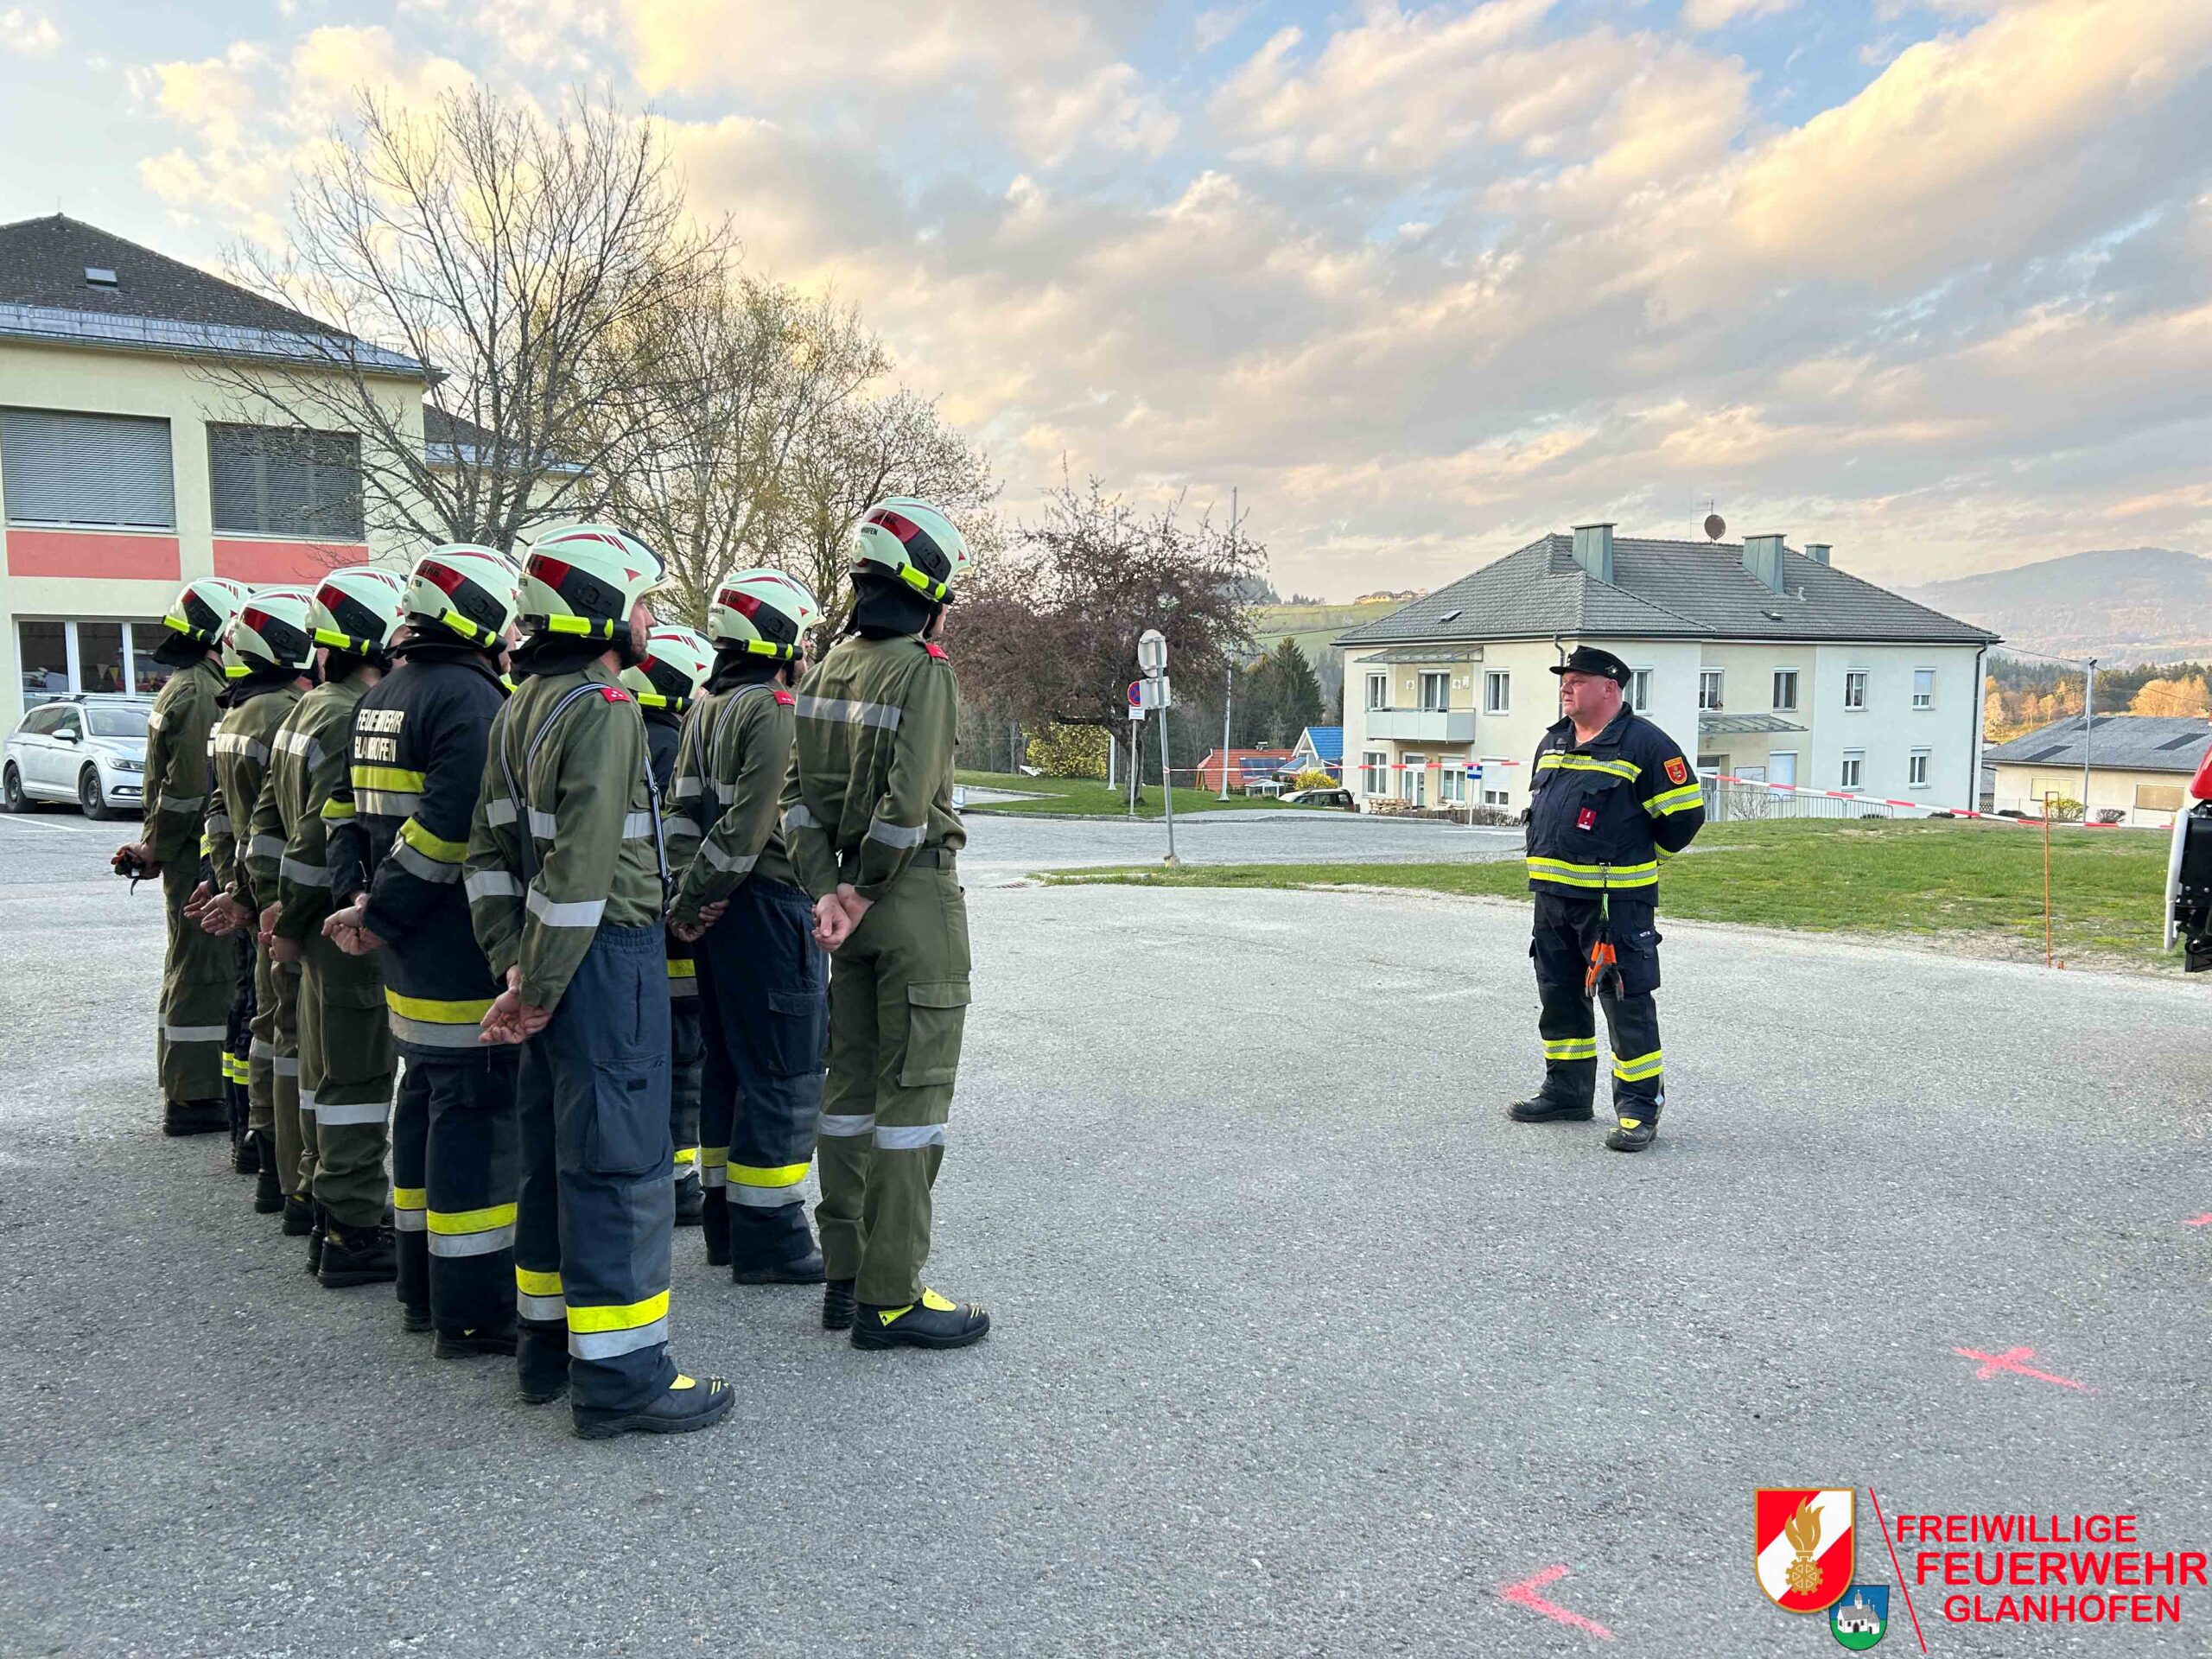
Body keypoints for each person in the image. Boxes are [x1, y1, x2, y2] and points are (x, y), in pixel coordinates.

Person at [465, 523, 732, 1439]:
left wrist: (514, 962)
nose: (651, 617)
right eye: (642, 600)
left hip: (548, 958)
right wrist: (538, 985)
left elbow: (486, 855)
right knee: (621, 1164)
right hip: (605, 960)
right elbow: (581, 871)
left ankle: (549, 1350)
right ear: (601, 609)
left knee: (554, 1158)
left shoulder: (519, 706)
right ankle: (622, 1376)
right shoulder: (607, 708)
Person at [785, 499, 988, 1350]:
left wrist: (827, 892)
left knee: (850, 1093)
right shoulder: (923, 672)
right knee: (912, 1100)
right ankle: (892, 1296)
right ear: (927, 592)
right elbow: (907, 809)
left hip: (845, 905)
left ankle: (844, 1275)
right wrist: (865, 890)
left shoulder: (825, 667)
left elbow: (795, 800)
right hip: (907, 900)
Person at [323, 545, 524, 1356]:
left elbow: (342, 812)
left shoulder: (384, 694)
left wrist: (360, 903)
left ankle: (420, 1288)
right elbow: (448, 833)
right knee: (476, 1124)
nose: (514, 633)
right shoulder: (470, 700)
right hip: (455, 951)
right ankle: (473, 1311)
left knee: (424, 1109)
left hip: (406, 954)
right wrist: (383, 914)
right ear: (480, 614)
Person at [665, 570, 828, 1284]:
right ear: (780, 641)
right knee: (784, 1073)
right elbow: (752, 824)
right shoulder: (774, 709)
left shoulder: (704, 708)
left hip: (720, 916)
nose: (808, 651)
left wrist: (688, 897)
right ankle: (774, 1240)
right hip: (768, 907)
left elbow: (680, 814)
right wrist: (700, 894)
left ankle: (726, 1226)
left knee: (728, 1067)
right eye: (804, 638)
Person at [248, 567, 410, 1283]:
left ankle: (321, 1203)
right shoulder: (350, 715)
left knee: (320, 1071)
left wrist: (272, 902)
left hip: (311, 924)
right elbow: (320, 835)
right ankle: (351, 1228)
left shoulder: (307, 709)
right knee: (357, 1078)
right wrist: (293, 913)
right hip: (339, 927)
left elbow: (266, 824)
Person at [1507, 645, 1707, 1152]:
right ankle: (1567, 1093)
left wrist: (1633, 855)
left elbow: (1684, 818)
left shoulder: (1645, 745)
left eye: (1577, 680)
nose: (1565, 687)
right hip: (1552, 899)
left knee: (1626, 1005)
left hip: (1613, 905)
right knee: (1559, 997)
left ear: (1610, 688)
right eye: (1564, 680)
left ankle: (1639, 1108)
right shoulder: (1554, 740)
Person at [194, 589, 318, 1217]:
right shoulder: (286, 713)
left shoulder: (236, 716)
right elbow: (290, 824)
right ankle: (293, 1176)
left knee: (267, 1028)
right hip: (282, 904)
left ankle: (267, 1157)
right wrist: (264, 901)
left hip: (255, 896)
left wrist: (233, 889)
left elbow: (221, 817)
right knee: (294, 1036)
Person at [121, 576, 249, 1136]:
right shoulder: (201, 692)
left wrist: (154, 846)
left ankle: (186, 1085)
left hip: (184, 853)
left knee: (188, 965)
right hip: (199, 854)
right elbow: (189, 790)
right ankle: (195, 1096)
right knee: (204, 972)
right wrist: (160, 846)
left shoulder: (187, 684)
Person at [619, 625, 715, 1232]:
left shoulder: (636, 736)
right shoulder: (668, 745)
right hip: (675, 934)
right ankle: (680, 1179)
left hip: (646, 930)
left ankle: (668, 1171)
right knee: (685, 1061)